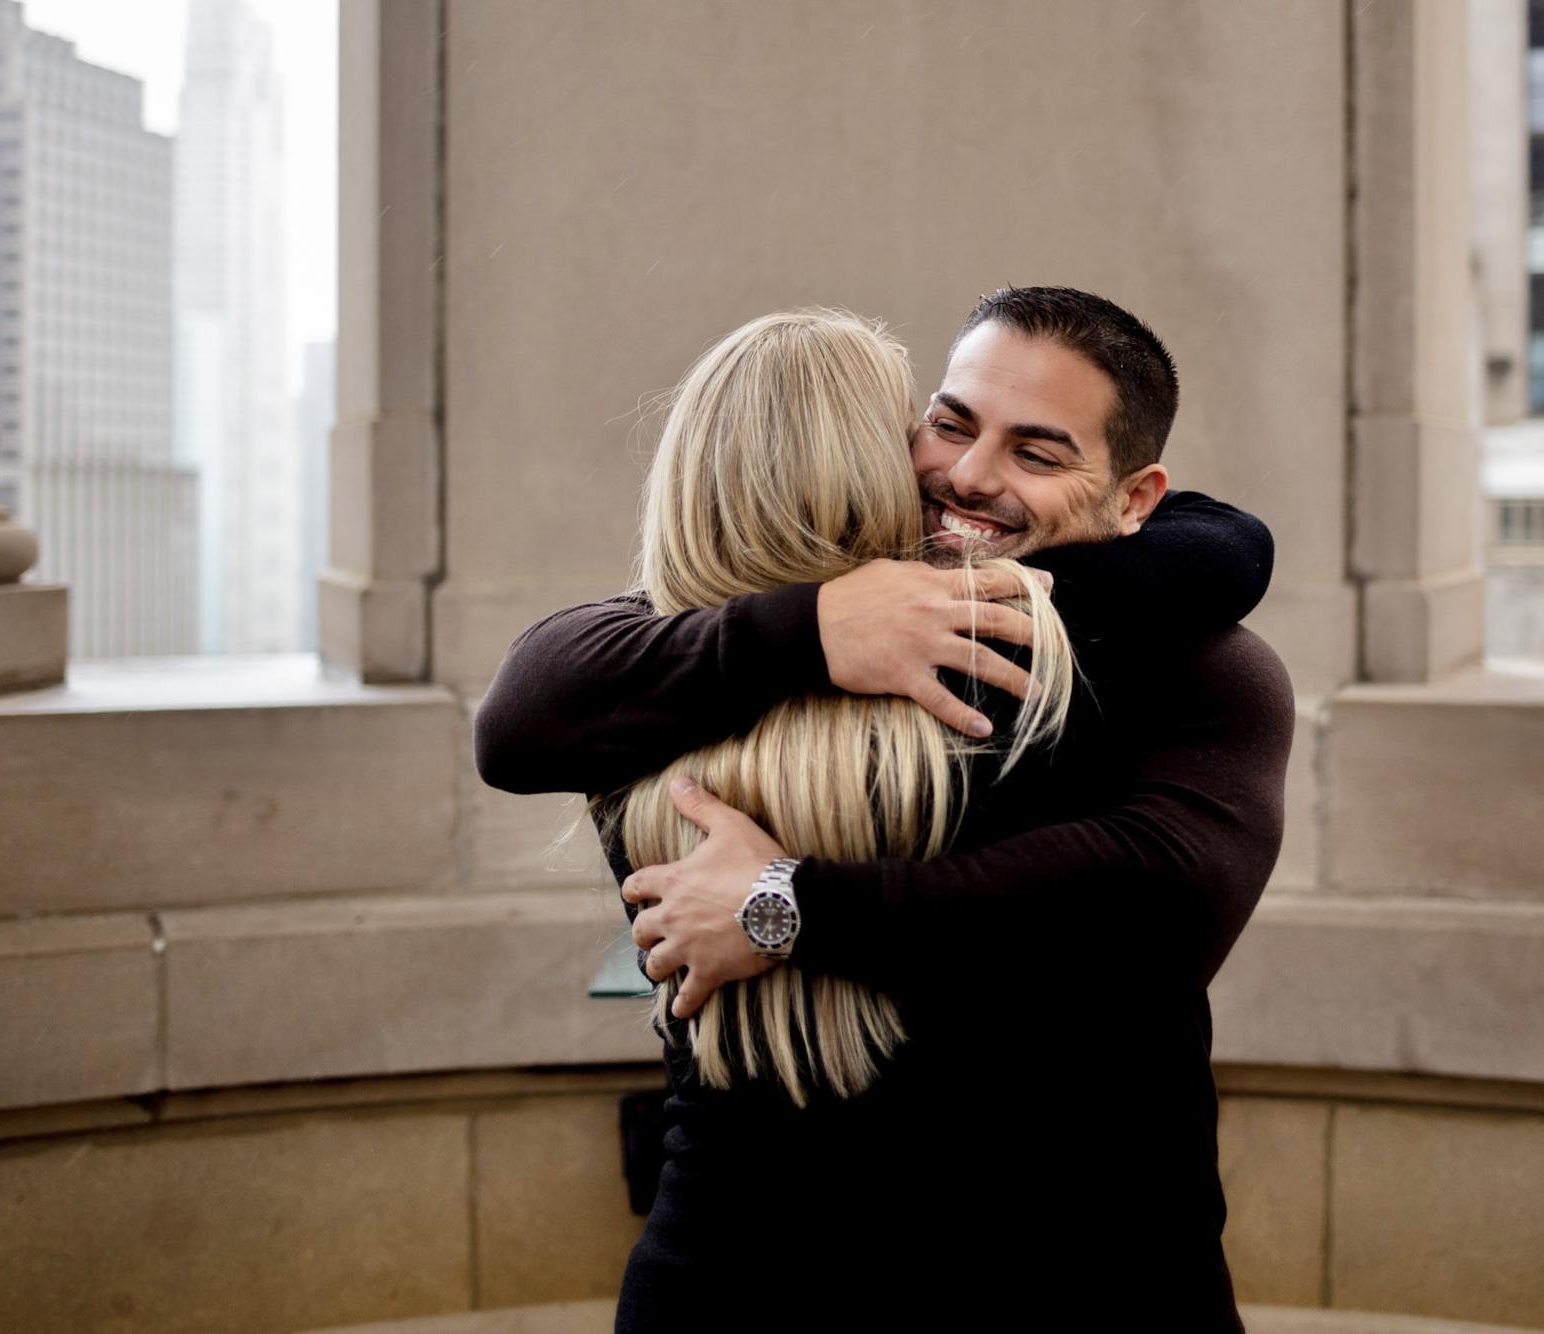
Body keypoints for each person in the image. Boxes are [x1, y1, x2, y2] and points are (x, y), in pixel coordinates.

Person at [473, 287, 1295, 1330]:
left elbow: (1153, 898)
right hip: (741, 1279)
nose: (969, 474)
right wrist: (815, 626)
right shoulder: (752, 652)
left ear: (1135, 501)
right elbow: (518, 717)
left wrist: (786, 903)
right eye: (950, 423)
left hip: (1084, 1279)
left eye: (1035, 453)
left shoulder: (1186, 667)